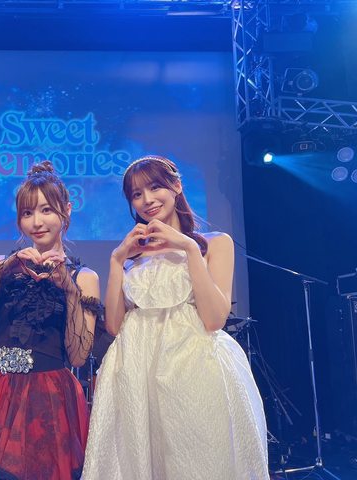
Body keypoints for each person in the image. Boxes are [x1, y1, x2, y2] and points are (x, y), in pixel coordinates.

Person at [83, 155, 269, 480]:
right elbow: (113, 326)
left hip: (192, 363)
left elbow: (214, 319)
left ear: (177, 186)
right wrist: (115, 260)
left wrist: (189, 248)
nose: (147, 200)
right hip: (136, 366)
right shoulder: (131, 255)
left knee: (198, 456)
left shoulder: (215, 243)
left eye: (155, 187)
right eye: (137, 194)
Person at [0, 161, 102, 480]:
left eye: (46, 210)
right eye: (27, 213)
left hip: (48, 397)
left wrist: (69, 290)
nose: (36, 222)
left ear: (67, 210)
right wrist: (0, 272)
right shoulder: (0, 264)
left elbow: (78, 356)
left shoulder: (84, 277)